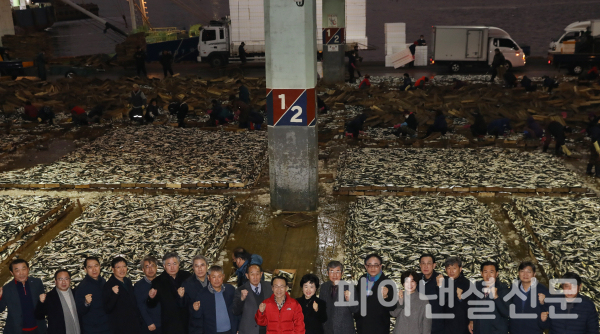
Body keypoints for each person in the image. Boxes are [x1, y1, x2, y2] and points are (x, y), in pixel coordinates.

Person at [147, 252, 192, 334]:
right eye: (169, 264)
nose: (172, 267)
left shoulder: (187, 277)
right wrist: (151, 297)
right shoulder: (158, 281)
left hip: (187, 322)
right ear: (164, 266)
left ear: (179, 264)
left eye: (174, 264)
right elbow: (151, 305)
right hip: (169, 324)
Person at [0, 259, 48, 334]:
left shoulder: (37, 283)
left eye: (24, 269)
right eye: (17, 270)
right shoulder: (7, 288)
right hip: (16, 330)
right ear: (11, 273)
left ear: (28, 269)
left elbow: (42, 305)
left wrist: (44, 301)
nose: (21, 273)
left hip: (38, 328)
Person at [189, 266, 237, 334]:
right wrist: (196, 310)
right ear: (209, 278)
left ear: (223, 276)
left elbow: (236, 310)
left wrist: (237, 328)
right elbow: (198, 317)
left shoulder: (230, 290)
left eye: (219, 276)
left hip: (230, 331)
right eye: (213, 277)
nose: (217, 280)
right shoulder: (202, 294)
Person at [355, 254, 395, 334]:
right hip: (362, 326)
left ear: (380, 266)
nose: (372, 268)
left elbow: (393, 307)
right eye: (370, 265)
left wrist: (386, 297)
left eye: (376, 265)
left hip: (379, 327)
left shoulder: (387, 282)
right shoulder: (362, 279)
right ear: (365, 266)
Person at [103, 257, 143, 334]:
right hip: (120, 328)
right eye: (118, 267)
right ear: (113, 269)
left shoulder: (128, 281)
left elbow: (133, 302)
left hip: (134, 325)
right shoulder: (108, 285)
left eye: (124, 266)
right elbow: (107, 308)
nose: (122, 270)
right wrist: (114, 294)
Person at [468, 261, 510, 334]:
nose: (488, 275)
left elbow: (507, 312)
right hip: (480, 329)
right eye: (485, 272)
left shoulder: (504, 289)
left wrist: (496, 297)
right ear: (481, 273)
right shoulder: (477, 286)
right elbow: (472, 305)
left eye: (491, 272)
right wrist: (471, 320)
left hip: (496, 331)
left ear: (496, 274)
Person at [508, 262, 549, 334]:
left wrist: (543, 303)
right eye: (522, 271)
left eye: (529, 272)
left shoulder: (542, 290)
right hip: (515, 331)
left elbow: (548, 312)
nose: (525, 274)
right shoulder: (513, 288)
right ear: (518, 273)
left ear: (534, 274)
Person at [435, 256, 474, 334]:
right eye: (449, 268)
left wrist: (472, 321)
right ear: (445, 269)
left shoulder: (467, 284)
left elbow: (472, 304)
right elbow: (439, 302)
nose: (451, 271)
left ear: (460, 269)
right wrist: (439, 286)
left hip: (461, 324)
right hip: (444, 325)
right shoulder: (443, 281)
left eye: (454, 268)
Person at [74, 256, 112, 334]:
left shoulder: (103, 281)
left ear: (100, 266)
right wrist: (86, 303)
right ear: (85, 269)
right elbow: (79, 311)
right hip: (92, 329)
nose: (94, 269)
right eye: (90, 267)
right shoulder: (81, 287)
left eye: (96, 266)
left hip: (107, 327)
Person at [35, 269, 80, 334]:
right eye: (60, 279)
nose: (63, 282)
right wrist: (41, 303)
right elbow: (39, 316)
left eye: (66, 279)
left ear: (70, 280)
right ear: (55, 281)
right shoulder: (49, 297)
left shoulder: (76, 294)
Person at [232, 264, 273, 334]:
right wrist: (241, 299)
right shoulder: (240, 290)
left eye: (257, 274)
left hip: (267, 329)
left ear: (261, 274)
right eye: (252, 274)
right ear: (247, 275)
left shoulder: (269, 287)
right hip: (249, 330)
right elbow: (235, 311)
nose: (255, 277)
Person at [319, 261, 357, 334]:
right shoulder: (324, 287)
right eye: (332, 271)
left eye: (337, 271)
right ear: (327, 273)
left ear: (342, 273)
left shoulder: (350, 287)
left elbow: (356, 309)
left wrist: (349, 300)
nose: (334, 275)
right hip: (327, 329)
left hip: (344, 329)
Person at [134, 255, 162, 334]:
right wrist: (149, 322)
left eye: (152, 266)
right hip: (148, 325)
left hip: (163, 323)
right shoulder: (138, 286)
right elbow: (140, 306)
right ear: (143, 269)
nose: (150, 269)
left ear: (156, 267)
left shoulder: (162, 282)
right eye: (147, 267)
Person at [417, 254, 443, 334]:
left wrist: (440, 286)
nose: (426, 266)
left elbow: (445, 302)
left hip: (435, 326)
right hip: (418, 325)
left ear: (434, 265)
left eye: (428, 263)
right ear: (420, 265)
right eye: (423, 263)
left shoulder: (442, 279)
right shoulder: (415, 279)